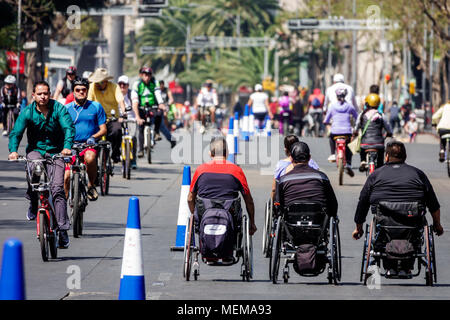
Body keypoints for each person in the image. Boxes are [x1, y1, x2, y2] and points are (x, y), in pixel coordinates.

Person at [351, 141, 443, 274]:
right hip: (412, 222)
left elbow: (363, 202)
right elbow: (433, 203)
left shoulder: (375, 175)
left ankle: (390, 265)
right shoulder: (418, 174)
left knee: (380, 229)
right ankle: (406, 265)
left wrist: (358, 227)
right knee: (414, 231)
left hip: (384, 223)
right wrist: (437, 224)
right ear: (405, 156)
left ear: (386, 157)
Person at [8, 80, 75, 249]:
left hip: (57, 153)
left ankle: (63, 230)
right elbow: (16, 132)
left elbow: (68, 128)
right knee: (35, 167)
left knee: (58, 189)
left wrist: (67, 147)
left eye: (46, 93)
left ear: (50, 93)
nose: (43, 96)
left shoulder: (59, 109)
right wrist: (13, 150)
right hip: (36, 151)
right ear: (33, 96)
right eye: (39, 94)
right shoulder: (27, 112)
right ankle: (33, 202)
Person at [187, 136, 257, 236]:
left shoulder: (200, 170)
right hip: (230, 215)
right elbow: (248, 200)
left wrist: (196, 216)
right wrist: (252, 223)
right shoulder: (236, 170)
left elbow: (190, 199)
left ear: (210, 153)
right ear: (227, 153)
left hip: (205, 214)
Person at [64, 77, 107, 201]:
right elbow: (59, 130)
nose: (81, 92)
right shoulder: (66, 109)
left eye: (84, 89)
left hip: (88, 145)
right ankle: (62, 210)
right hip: (70, 146)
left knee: (90, 157)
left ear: (87, 91)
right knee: (66, 176)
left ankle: (91, 185)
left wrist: (93, 137)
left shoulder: (96, 106)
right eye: (78, 90)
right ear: (73, 92)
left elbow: (103, 129)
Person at [274, 141, 338, 218]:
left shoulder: (283, 180)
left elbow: (278, 204)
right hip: (318, 221)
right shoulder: (322, 177)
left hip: (291, 221)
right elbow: (333, 203)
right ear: (309, 157)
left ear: (291, 159)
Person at [131, 66, 174, 156]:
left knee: (159, 113)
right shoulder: (137, 84)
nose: (147, 77)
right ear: (141, 75)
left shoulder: (155, 83)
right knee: (141, 127)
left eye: (149, 75)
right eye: (145, 75)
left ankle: (156, 132)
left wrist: (161, 104)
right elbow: (134, 101)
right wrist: (137, 116)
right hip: (140, 107)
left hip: (152, 106)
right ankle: (141, 150)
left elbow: (158, 94)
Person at [87, 68, 126, 163]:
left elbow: (120, 100)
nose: (97, 84)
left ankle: (116, 153)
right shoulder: (92, 87)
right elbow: (88, 102)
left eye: (99, 82)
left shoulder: (114, 87)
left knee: (117, 130)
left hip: (112, 118)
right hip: (97, 119)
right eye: (96, 82)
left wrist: (123, 113)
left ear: (105, 81)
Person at [271, 135, 320, 199]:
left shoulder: (281, 164)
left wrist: (272, 203)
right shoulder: (311, 162)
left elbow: (274, 189)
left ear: (286, 149)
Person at [323, 87, 358, 177]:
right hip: (347, 131)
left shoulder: (332, 107)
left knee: (331, 138)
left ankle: (332, 154)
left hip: (335, 131)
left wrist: (327, 123)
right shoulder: (349, 106)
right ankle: (349, 164)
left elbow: (326, 120)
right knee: (349, 146)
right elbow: (357, 117)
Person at [354, 93, 392, 172]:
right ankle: (380, 168)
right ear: (378, 104)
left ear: (367, 103)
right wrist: (389, 133)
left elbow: (357, 126)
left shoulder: (362, 114)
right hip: (379, 143)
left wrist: (355, 132)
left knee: (362, 148)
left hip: (365, 143)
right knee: (381, 157)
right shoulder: (381, 115)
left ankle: (363, 160)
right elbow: (388, 127)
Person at [118, 75, 138, 169]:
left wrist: (137, 117)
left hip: (131, 119)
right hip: (118, 119)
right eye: (120, 84)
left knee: (133, 137)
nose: (122, 86)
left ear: (128, 85)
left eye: (124, 84)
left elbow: (135, 105)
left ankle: (133, 160)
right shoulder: (115, 93)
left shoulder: (132, 93)